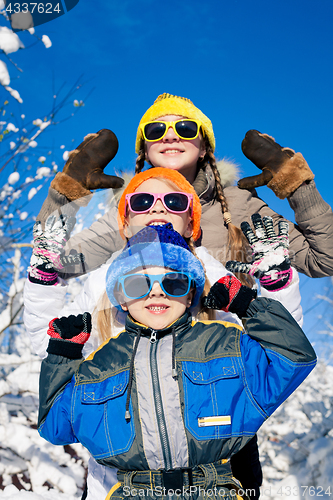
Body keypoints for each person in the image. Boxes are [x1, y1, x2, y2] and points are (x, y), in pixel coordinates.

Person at [24, 168, 303, 499]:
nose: (157, 209)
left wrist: (271, 286)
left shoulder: (213, 276)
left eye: (173, 201)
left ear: (191, 223)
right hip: (122, 482)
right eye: (142, 201)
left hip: (216, 474)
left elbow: (281, 351)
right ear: (124, 222)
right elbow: (51, 349)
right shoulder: (102, 284)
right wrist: (46, 289)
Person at [35, 93, 333, 282]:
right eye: (156, 130)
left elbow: (324, 260)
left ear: (203, 147)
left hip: (224, 361)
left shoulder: (237, 203)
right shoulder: (132, 208)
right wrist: (65, 193)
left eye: (186, 128)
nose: (170, 136)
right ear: (145, 150)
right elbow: (52, 262)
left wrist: (297, 186)